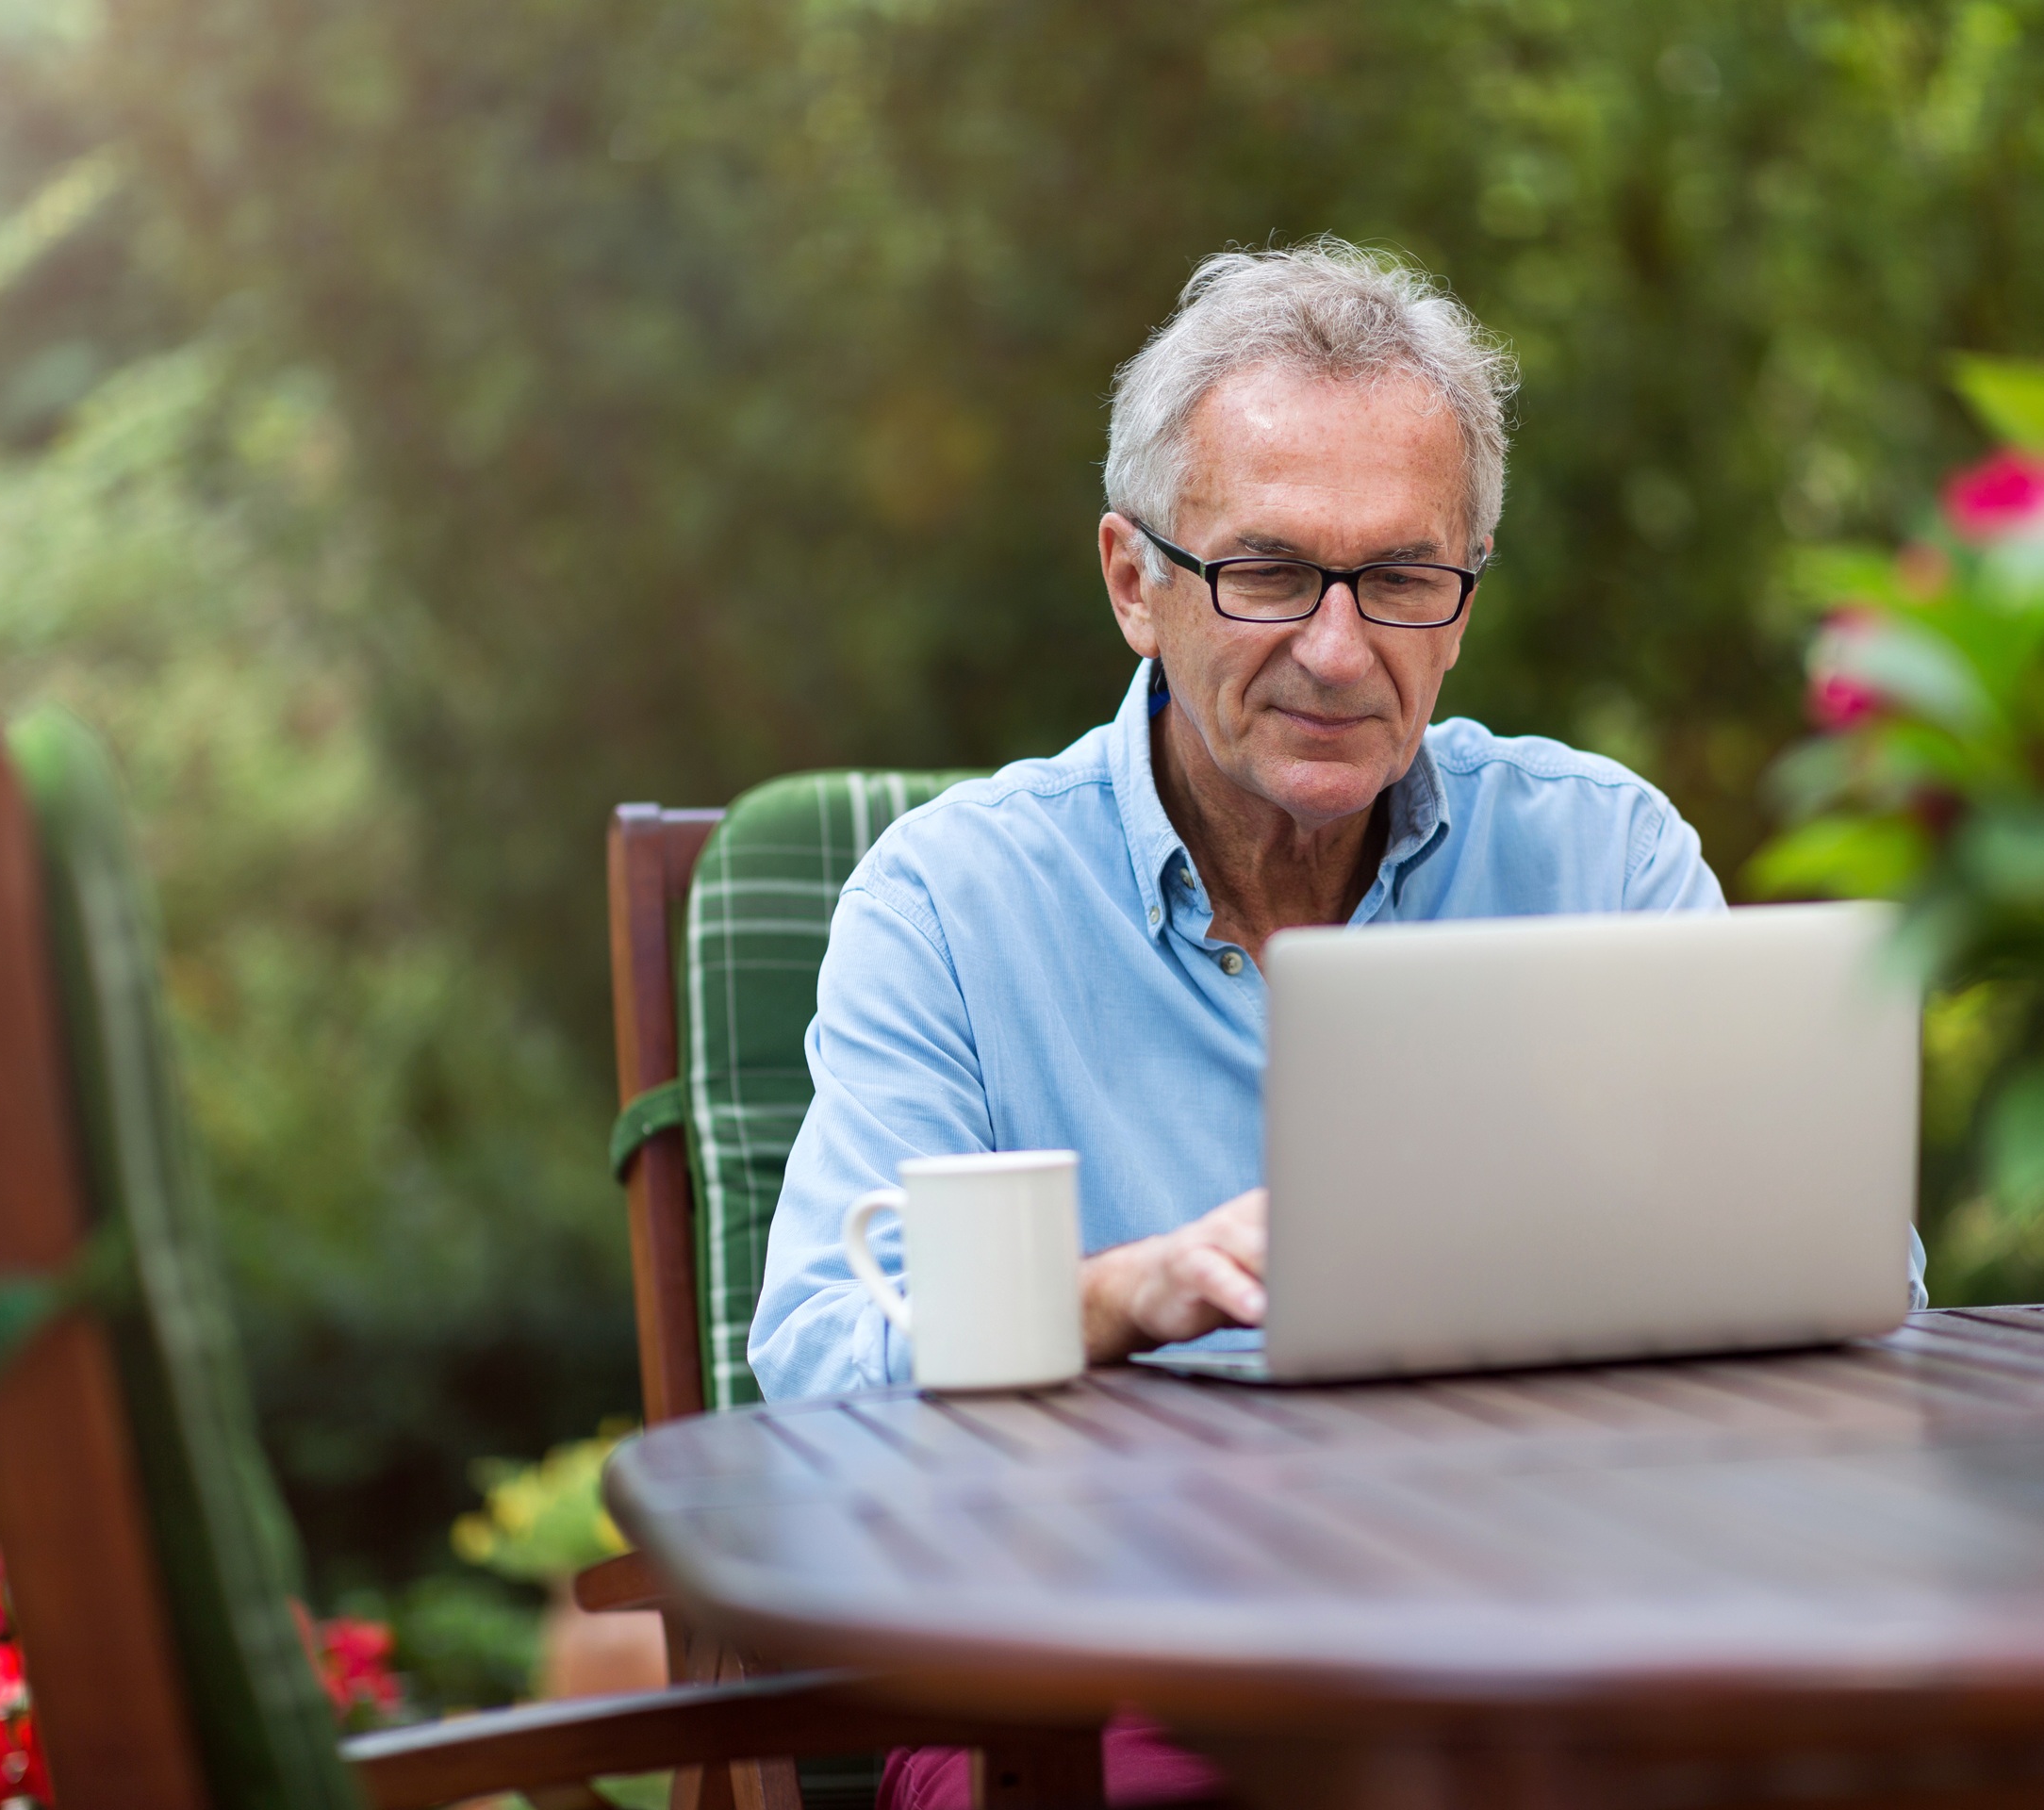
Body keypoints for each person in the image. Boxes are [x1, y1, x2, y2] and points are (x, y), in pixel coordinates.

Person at [750, 238, 1923, 1405]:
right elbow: (821, 1360)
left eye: (1405, 581)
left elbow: (1857, 1281)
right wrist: (1115, 1300)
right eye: (1266, 574)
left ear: (1467, 599)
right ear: (1132, 584)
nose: (1337, 651)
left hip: (1543, 1550)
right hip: (1123, 1574)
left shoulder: (1603, 854)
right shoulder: (951, 905)